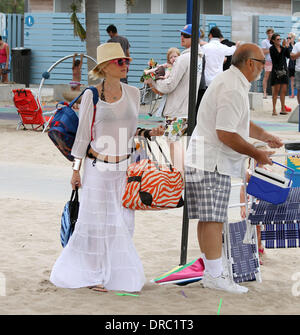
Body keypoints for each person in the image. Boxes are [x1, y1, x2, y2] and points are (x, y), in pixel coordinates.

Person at [50, 43, 164, 293]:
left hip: (125, 169)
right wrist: (76, 169)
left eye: (127, 61)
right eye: (119, 62)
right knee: (95, 224)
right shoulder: (92, 95)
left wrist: (149, 132)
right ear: (104, 67)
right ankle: (93, 276)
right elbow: (82, 137)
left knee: (123, 223)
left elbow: (130, 129)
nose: (126, 65)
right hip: (97, 169)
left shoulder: (133, 93)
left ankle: (113, 273)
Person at [185, 43, 283, 294]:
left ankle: (212, 270)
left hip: (204, 158)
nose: (264, 68)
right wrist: (257, 153)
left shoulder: (232, 81)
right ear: (250, 63)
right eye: (263, 63)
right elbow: (226, 133)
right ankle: (215, 274)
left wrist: (265, 135)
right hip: (211, 160)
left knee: (208, 218)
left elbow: (239, 122)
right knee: (214, 219)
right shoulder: (232, 87)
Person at [145, 24, 203, 173]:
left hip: (177, 112)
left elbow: (168, 86)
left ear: (194, 38)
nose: (182, 37)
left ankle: (180, 178)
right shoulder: (198, 58)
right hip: (186, 110)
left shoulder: (183, 59)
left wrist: (153, 78)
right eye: (182, 34)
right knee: (175, 142)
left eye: (186, 35)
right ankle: (181, 176)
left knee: (172, 142)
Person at [240, 142, 269, 265]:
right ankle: (255, 252)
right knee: (254, 229)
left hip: (263, 204)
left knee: (262, 228)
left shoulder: (267, 170)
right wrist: (242, 206)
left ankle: (260, 245)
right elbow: (242, 189)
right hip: (252, 204)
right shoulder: (249, 172)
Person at [269, 33, 290, 116]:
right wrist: (283, 48)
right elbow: (276, 59)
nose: (279, 41)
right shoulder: (272, 49)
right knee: (275, 91)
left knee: (284, 90)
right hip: (276, 71)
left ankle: (283, 108)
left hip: (284, 71)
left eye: (280, 39)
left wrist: (286, 47)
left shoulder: (283, 47)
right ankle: (274, 109)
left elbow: (288, 56)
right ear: (273, 41)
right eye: (278, 39)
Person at [261, 28, 274, 99]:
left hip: (275, 62)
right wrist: (272, 49)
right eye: (269, 33)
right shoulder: (264, 42)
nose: (270, 34)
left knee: (275, 78)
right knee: (266, 77)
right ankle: (265, 93)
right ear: (267, 34)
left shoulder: (275, 41)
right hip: (268, 61)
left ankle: (274, 93)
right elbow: (263, 51)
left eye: (271, 33)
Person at [287, 32, 296, 98]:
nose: (288, 39)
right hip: (291, 64)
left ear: (293, 38)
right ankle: (292, 93)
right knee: (292, 79)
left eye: (289, 38)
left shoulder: (297, 45)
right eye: (287, 38)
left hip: (298, 63)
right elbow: (288, 55)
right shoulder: (287, 46)